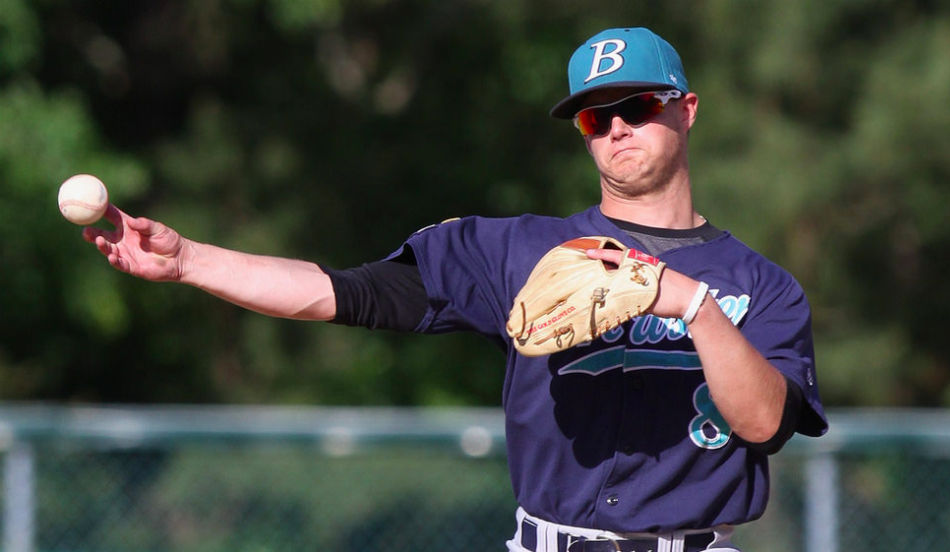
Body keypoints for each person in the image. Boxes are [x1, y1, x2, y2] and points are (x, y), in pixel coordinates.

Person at [84, 27, 827, 552]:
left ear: (686, 109)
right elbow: (343, 293)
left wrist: (689, 303)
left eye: (638, 106)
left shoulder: (760, 287)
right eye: (597, 117)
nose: (617, 129)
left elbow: (765, 425)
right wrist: (188, 261)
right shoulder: (516, 250)